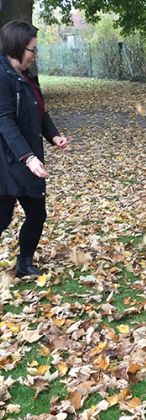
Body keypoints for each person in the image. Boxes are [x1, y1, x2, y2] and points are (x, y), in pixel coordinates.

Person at [0, 21, 68, 277]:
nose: (35, 54)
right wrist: (27, 157)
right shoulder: (1, 77)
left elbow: (39, 111)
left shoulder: (26, 75)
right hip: (7, 161)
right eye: (32, 49)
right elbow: (4, 120)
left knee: (37, 214)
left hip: (30, 160)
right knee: (2, 218)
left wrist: (54, 136)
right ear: (17, 47)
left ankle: (24, 264)